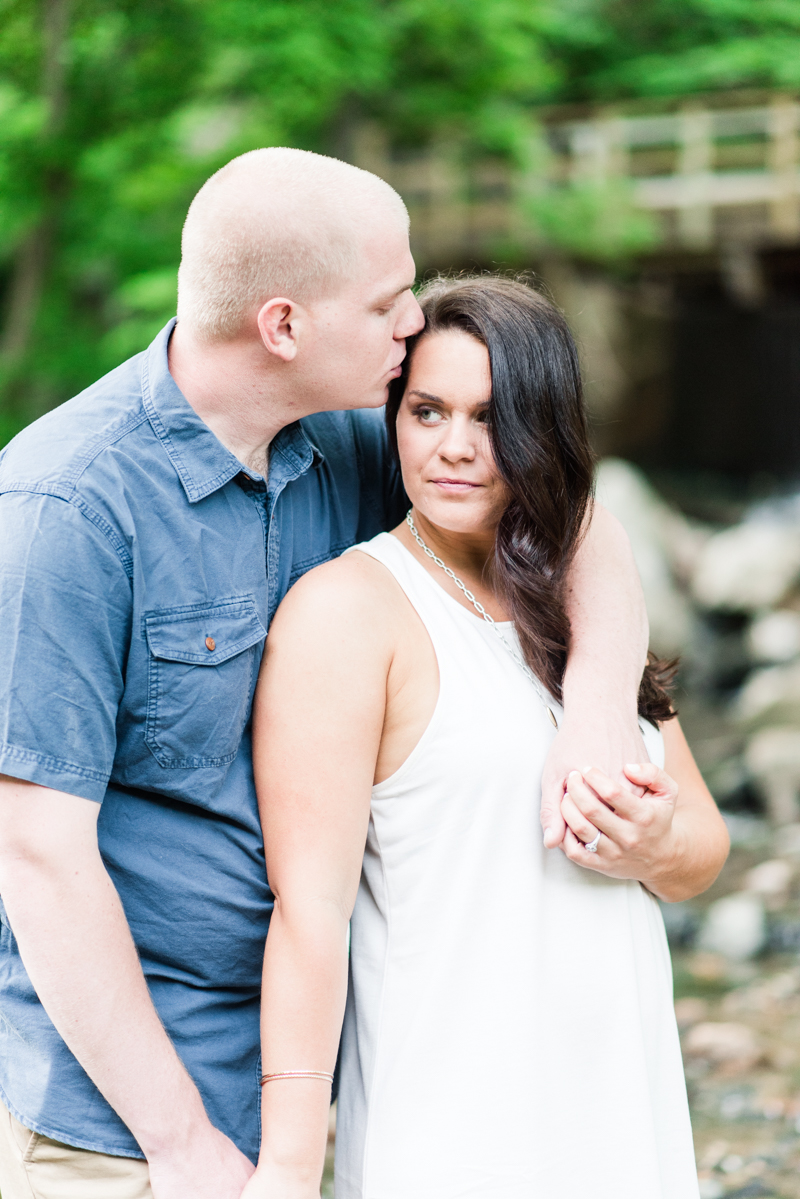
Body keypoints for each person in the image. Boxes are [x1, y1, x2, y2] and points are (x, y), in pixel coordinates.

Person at [0, 148, 651, 1199]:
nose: (411, 324)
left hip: (315, 1085)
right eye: (388, 300)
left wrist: (596, 710)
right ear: (282, 326)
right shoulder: (64, 511)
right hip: (119, 1124)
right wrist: (177, 1143)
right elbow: (35, 856)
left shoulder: (342, 442)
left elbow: (573, 521)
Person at [247, 277, 730, 1199]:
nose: (457, 447)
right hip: (455, 1125)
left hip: (622, 1105)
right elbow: (310, 913)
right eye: (427, 411)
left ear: (541, 429)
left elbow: (701, 850)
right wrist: (290, 1162)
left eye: (491, 416)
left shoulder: (590, 604)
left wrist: (653, 844)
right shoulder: (351, 613)